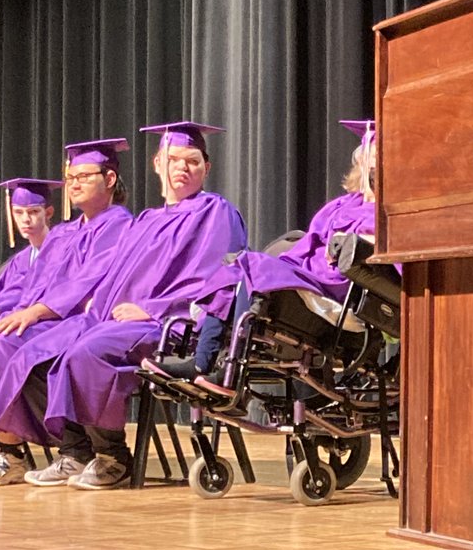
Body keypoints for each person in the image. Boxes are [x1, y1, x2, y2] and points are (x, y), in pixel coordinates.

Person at [0, 121, 246, 489]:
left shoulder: (215, 212)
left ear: (207, 167)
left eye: (192, 161)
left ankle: (112, 457)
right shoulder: (147, 220)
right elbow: (113, 281)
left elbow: (220, 278)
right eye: (173, 159)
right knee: (31, 350)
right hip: (113, 319)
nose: (182, 168)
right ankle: (74, 450)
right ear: (158, 164)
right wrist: (94, 312)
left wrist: (155, 308)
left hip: (168, 325)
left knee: (86, 352)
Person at [145, 118, 377, 389]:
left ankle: (229, 372)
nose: (372, 168)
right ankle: (203, 361)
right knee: (237, 268)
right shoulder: (339, 206)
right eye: (368, 161)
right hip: (311, 275)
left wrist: (356, 243)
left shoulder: (387, 212)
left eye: (378, 161)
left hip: (338, 287)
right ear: (359, 164)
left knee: (252, 264)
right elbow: (309, 242)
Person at [0, 139, 134, 484]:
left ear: (109, 179)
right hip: (57, 318)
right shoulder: (67, 233)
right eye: (71, 178)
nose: (74, 184)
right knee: (1, 340)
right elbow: (38, 281)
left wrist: (37, 312)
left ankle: (76, 450)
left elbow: (90, 279)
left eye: (83, 176)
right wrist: (22, 309)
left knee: (25, 348)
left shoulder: (119, 225)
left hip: (87, 319)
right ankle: (55, 450)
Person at [0, 177, 62, 321]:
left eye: (33, 211)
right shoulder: (19, 260)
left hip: (46, 322)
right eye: (18, 212)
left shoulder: (61, 250)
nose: (25, 219)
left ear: (48, 213)